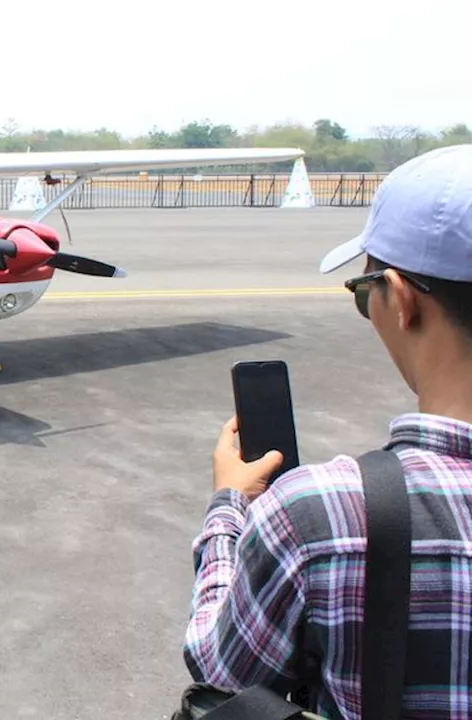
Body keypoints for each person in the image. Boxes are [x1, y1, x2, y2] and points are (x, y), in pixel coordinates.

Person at [182, 144, 472, 719]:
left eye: (365, 295)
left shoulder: (321, 513)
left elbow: (219, 668)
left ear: (403, 301)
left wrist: (227, 510)